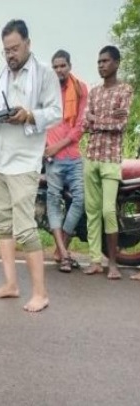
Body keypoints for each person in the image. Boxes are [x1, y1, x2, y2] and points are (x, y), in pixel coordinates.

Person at [0, 20, 61, 312]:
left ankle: (41, 293)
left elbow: (56, 112)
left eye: (15, 48)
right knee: (2, 223)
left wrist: (29, 115)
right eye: (6, 50)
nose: (10, 55)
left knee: (25, 228)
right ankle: (11, 284)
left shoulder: (44, 73)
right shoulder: (1, 75)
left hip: (25, 161)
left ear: (28, 43)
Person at [82, 46, 133, 280]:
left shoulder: (124, 90)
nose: (101, 65)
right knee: (92, 211)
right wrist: (104, 119)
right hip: (92, 156)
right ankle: (95, 261)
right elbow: (85, 124)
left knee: (108, 210)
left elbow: (120, 125)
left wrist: (96, 120)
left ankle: (112, 263)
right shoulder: (94, 92)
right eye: (99, 62)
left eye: (105, 61)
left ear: (117, 63)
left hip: (111, 159)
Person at [45, 49, 88, 273]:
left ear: (69, 66)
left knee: (80, 200)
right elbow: (42, 121)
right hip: (52, 158)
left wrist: (58, 146)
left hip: (72, 155)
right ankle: (64, 254)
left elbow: (80, 126)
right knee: (53, 201)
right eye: (55, 67)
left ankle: (60, 248)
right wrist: (46, 148)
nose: (59, 70)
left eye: (62, 66)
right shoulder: (47, 91)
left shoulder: (80, 89)